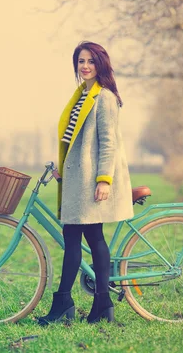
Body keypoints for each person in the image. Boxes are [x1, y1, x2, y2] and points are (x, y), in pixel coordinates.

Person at [38, 41, 134, 325]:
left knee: (76, 240)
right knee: (91, 239)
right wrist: (65, 172)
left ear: (101, 64)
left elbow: (108, 144)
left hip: (93, 183)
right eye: (81, 61)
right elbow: (75, 141)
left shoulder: (103, 97)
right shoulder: (81, 95)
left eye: (91, 60)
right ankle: (101, 306)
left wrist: (104, 180)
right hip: (78, 182)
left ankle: (65, 304)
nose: (85, 66)